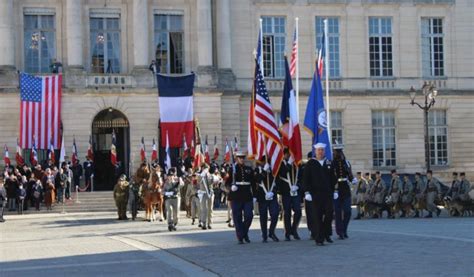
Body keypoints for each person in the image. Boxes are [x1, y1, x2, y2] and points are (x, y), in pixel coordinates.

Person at [303, 143, 336, 246]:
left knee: (329, 214)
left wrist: (335, 190)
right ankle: (319, 238)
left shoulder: (329, 163)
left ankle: (326, 233)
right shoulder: (310, 164)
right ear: (315, 151)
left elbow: (333, 179)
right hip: (315, 194)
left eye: (322, 150)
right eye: (318, 150)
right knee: (317, 216)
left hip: (327, 194)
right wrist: (307, 192)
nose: (320, 152)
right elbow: (305, 179)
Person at [226, 152, 256, 244]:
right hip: (236, 196)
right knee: (237, 217)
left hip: (247, 195)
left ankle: (244, 232)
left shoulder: (249, 169)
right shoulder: (232, 169)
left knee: (249, 216)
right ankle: (240, 236)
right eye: (240, 158)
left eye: (243, 158)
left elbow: (253, 183)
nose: (242, 160)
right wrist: (231, 187)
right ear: (236, 159)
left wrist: (254, 195)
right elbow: (227, 182)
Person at [277, 148, 302, 241]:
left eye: (289, 154)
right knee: (287, 213)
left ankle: (294, 229)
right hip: (286, 191)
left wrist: (298, 186)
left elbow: (301, 177)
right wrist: (288, 164)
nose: (288, 156)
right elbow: (282, 173)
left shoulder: (296, 164)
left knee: (298, 212)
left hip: (295, 191)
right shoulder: (280, 164)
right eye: (287, 154)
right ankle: (287, 232)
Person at [331, 144, 354, 239]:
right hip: (336, 189)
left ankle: (344, 229)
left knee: (348, 211)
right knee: (337, 211)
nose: (338, 153)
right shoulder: (332, 163)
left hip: (345, 188)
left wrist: (353, 179)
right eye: (336, 151)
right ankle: (340, 232)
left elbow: (350, 174)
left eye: (340, 151)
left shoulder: (346, 162)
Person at [255, 156, 279, 243]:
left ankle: (271, 232)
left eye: (268, 161)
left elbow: (278, 179)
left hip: (272, 194)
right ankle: (264, 235)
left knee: (275, 213)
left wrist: (276, 190)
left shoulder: (274, 169)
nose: (266, 163)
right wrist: (264, 171)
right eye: (264, 161)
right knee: (263, 216)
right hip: (262, 195)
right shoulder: (258, 170)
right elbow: (257, 179)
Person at [198, 164, 216, 230]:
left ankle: (209, 223)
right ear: (202, 169)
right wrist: (202, 174)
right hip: (203, 194)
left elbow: (213, 182)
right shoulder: (200, 176)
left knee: (210, 209)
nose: (206, 170)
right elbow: (198, 182)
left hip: (210, 194)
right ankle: (204, 223)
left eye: (207, 168)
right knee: (204, 209)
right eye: (204, 168)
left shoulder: (211, 176)